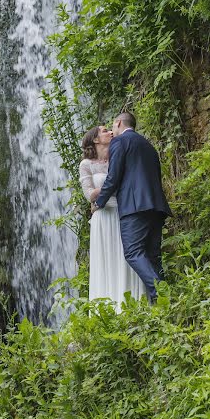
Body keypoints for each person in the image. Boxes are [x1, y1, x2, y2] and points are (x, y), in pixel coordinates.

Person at [93, 112, 172, 303]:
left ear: (118, 122)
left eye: (112, 126)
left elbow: (113, 177)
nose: (112, 131)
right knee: (153, 256)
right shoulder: (148, 145)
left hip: (134, 207)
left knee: (133, 252)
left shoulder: (120, 142)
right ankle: (160, 306)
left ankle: (161, 294)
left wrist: (99, 202)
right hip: (156, 206)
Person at [79, 125, 146, 308]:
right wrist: (113, 182)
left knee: (125, 256)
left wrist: (108, 186)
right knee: (106, 261)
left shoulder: (117, 157)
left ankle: (131, 304)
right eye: (104, 130)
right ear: (95, 139)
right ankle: (108, 306)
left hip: (122, 212)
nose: (110, 132)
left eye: (110, 129)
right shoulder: (86, 164)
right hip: (102, 216)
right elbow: (89, 194)